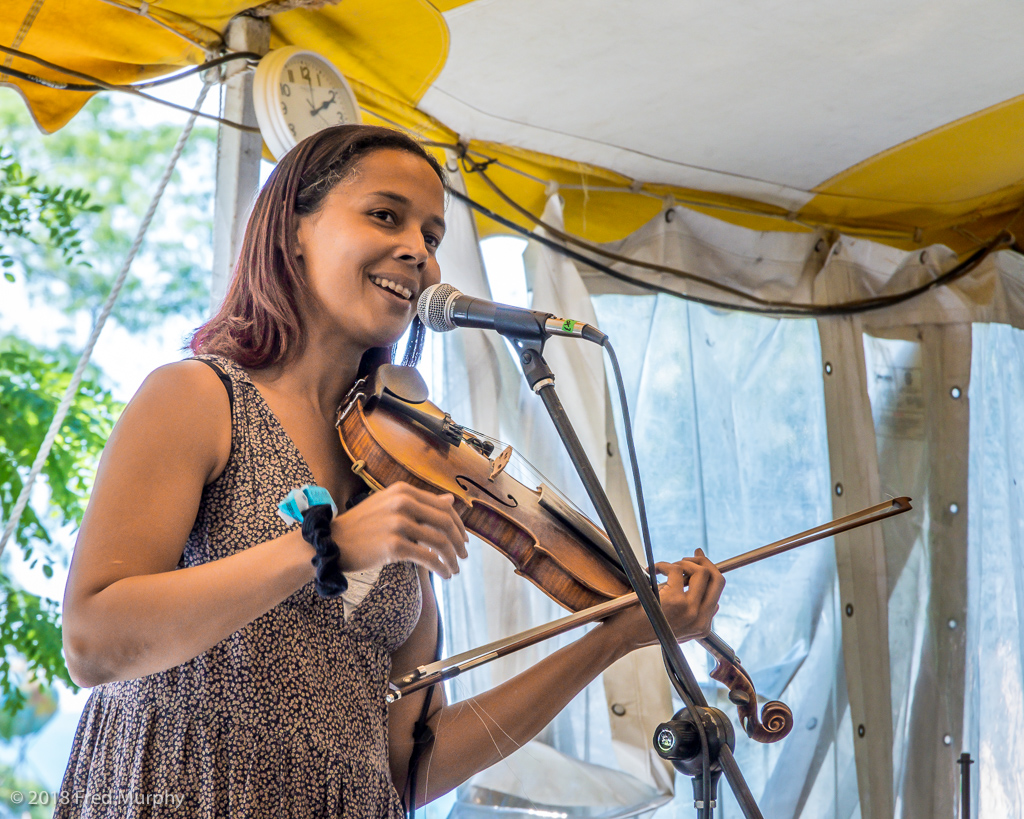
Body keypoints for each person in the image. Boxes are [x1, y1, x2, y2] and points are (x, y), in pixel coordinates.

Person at [55, 124, 725, 818]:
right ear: (293, 230)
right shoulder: (198, 398)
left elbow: (408, 765)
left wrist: (614, 635)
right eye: (385, 215)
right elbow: (93, 641)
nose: (418, 251)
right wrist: (329, 547)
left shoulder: (398, 466)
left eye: (433, 237)